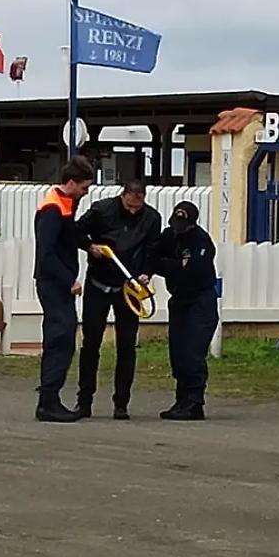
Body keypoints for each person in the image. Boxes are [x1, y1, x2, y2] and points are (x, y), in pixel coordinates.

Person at [74, 179, 161, 420]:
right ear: (123, 196)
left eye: (138, 206)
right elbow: (76, 231)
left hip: (128, 289)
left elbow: (153, 249)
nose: (133, 210)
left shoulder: (151, 218)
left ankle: (121, 403)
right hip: (98, 284)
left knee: (127, 346)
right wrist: (90, 246)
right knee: (91, 343)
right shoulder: (102, 210)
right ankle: (84, 401)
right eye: (130, 205)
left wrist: (146, 272)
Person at [33, 156, 95, 422]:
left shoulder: (66, 205)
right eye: (84, 187)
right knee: (60, 340)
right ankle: (48, 401)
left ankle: (51, 397)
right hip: (54, 285)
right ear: (71, 182)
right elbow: (46, 253)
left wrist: (89, 246)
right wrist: (67, 279)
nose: (86, 192)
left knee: (64, 339)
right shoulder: (52, 209)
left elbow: (69, 236)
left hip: (58, 285)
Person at [146, 200, 219, 420]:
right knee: (178, 352)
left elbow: (190, 271)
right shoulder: (169, 236)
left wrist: (166, 265)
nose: (177, 228)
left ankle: (194, 402)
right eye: (175, 222)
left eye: (182, 224)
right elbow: (151, 257)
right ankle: (181, 400)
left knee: (193, 352)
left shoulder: (201, 241)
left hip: (200, 301)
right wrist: (161, 266)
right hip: (179, 300)